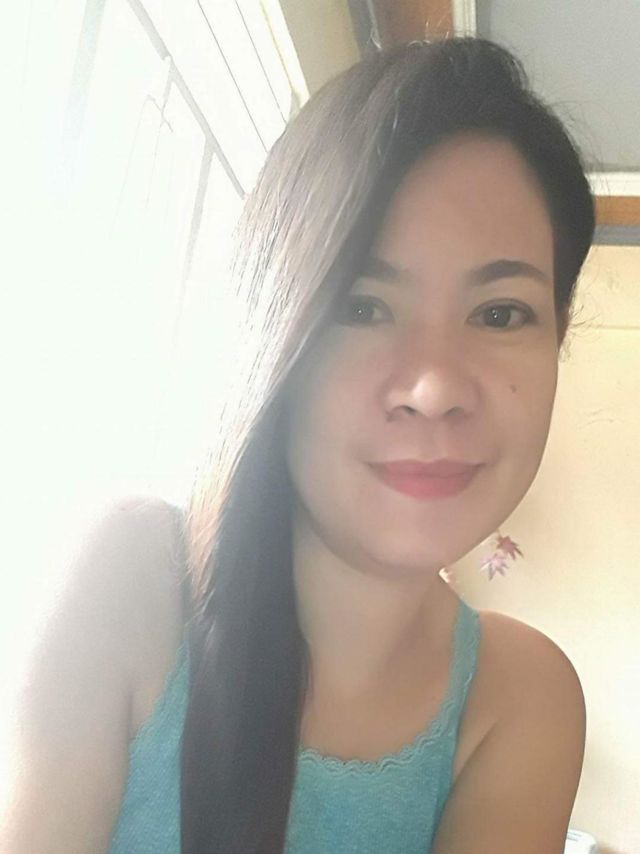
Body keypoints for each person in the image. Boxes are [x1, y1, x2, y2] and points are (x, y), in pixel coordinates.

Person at [1, 36, 594, 854]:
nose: (434, 386)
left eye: (500, 314)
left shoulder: (520, 700)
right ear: (272, 326)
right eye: (362, 306)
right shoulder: (131, 583)